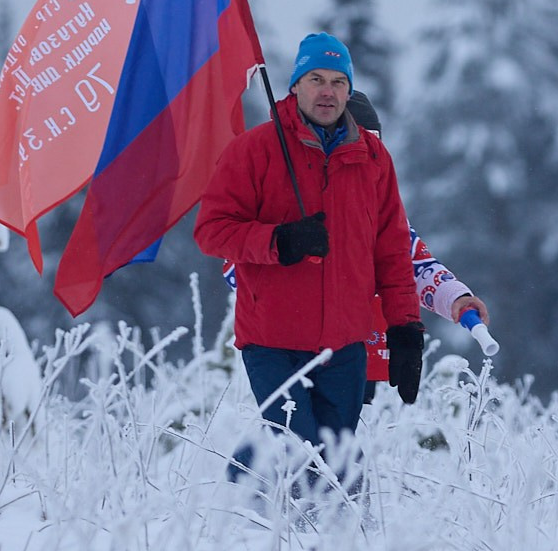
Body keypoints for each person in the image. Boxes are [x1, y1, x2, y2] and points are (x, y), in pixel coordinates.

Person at [195, 35, 417, 495]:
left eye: (338, 81)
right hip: (272, 339)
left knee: (336, 458)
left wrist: (405, 331)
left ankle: (325, 544)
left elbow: (393, 252)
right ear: (295, 85)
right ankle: (247, 511)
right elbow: (211, 230)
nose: (327, 91)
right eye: (315, 79)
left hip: (345, 342)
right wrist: (278, 240)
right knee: (299, 448)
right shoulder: (254, 150)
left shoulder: (374, 159)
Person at [219, 89, 489, 404]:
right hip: (289, 351)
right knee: (292, 437)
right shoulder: (284, 214)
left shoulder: (383, 224)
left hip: (363, 358)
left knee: (340, 446)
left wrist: (457, 297)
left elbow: (418, 268)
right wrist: (289, 250)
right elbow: (235, 267)